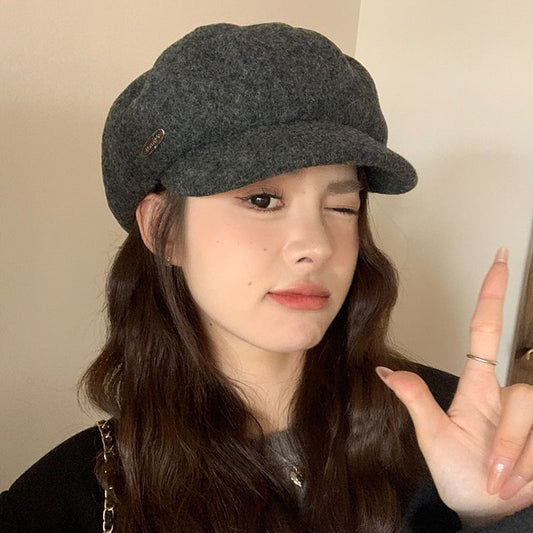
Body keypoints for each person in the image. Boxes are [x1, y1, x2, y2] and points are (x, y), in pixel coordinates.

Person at [1, 22, 532, 533]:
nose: (316, 246)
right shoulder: (66, 502)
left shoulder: (452, 430)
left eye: (342, 206)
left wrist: (493, 514)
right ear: (163, 230)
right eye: (261, 199)